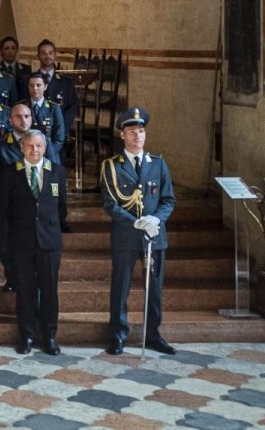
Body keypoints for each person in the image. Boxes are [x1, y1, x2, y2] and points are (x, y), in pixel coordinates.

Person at [100, 107, 176, 355]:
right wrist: (133, 221)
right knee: (121, 286)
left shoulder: (158, 163)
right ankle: (118, 335)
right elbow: (110, 204)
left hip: (154, 236)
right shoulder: (112, 166)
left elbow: (168, 200)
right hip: (126, 235)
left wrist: (156, 219)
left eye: (141, 131)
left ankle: (152, 334)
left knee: (154, 288)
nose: (137, 136)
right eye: (132, 132)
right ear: (122, 135)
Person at [0, 130, 66, 355]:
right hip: (22, 242)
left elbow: (61, 209)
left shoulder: (57, 171)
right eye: (29, 146)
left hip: (49, 242)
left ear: (45, 148)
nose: (34, 150)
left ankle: (49, 336)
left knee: (49, 290)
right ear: (21, 147)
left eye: (38, 146)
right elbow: (2, 211)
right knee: (25, 290)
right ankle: (26, 335)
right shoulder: (10, 173)